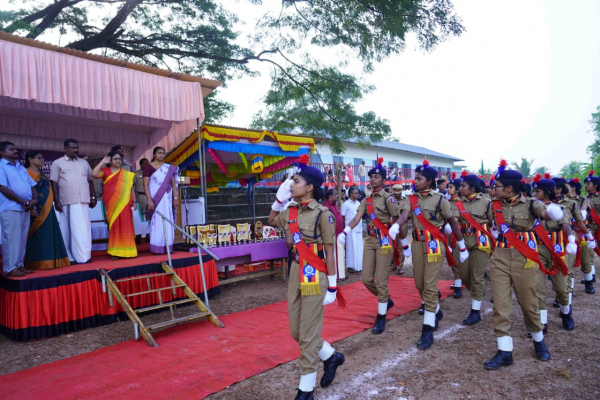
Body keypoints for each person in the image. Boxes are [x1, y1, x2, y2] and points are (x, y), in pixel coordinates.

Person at [268, 154, 345, 400]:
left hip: (316, 275)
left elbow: (331, 251)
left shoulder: (323, 214)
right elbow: (271, 221)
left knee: (308, 335)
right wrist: (279, 200)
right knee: (296, 332)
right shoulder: (290, 210)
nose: (291, 184)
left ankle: (306, 389)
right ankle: (331, 357)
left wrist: (333, 286)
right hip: (295, 273)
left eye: (296, 181)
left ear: (309, 187)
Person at [482, 160, 564, 370]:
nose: (493, 189)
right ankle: (504, 351)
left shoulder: (529, 204)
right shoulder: (494, 205)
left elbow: (544, 213)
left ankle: (539, 341)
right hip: (500, 256)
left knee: (529, 304)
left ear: (509, 188)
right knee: (500, 305)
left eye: (497, 186)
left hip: (524, 258)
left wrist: (553, 211)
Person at [396, 159, 468, 349]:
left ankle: (427, 330)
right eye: (415, 178)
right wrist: (397, 225)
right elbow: (404, 215)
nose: (415, 181)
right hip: (418, 244)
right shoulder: (410, 198)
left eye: (419, 178)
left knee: (429, 286)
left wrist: (461, 245)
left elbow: (452, 222)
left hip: (435, 243)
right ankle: (435, 309)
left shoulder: (439, 199)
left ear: (429, 181)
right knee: (419, 284)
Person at [340, 157, 399, 334]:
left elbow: (396, 218)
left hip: (385, 241)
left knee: (381, 280)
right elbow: (357, 218)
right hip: (370, 240)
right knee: (366, 279)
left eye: (376, 176)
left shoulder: (389, 199)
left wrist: (398, 236)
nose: (372, 179)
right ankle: (385, 299)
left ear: (383, 179)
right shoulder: (366, 201)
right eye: (371, 176)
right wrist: (346, 231)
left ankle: (381, 316)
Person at [455, 171, 495, 325]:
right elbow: (455, 220)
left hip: (481, 243)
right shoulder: (458, 203)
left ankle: (475, 311)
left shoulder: (486, 202)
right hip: (464, 243)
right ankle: (478, 292)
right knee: (464, 275)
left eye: (463, 186)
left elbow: (493, 224)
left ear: (472, 188)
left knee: (477, 276)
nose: (460, 188)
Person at [50, 138, 97, 264]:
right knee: (71, 229)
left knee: (84, 228)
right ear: (65, 148)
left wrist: (93, 196)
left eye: (77, 147)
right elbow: (53, 182)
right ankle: (70, 257)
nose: (75, 150)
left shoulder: (83, 163)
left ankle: (84, 256)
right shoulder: (58, 163)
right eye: (72, 147)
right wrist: (56, 200)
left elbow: (90, 179)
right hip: (69, 200)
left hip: (84, 199)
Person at [24, 150, 70, 270]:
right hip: (34, 211)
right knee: (38, 236)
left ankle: (53, 261)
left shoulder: (43, 175)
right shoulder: (25, 173)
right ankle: (37, 262)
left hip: (48, 210)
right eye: (39, 158)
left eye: (42, 158)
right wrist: (33, 208)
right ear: (30, 159)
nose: (42, 160)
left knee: (49, 235)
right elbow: (27, 192)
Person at [0, 142, 38, 277]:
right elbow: (3, 188)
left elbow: (31, 185)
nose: (16, 151)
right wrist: (24, 202)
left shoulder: (20, 167)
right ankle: (10, 268)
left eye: (15, 149)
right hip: (11, 208)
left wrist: (34, 200)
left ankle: (19, 265)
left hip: (25, 208)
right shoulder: (1, 167)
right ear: (2, 153)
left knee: (22, 239)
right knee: (11, 239)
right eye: (12, 149)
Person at [92, 152, 138, 259]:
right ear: (110, 161)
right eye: (115, 159)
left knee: (126, 226)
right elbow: (94, 174)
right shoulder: (105, 171)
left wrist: (135, 202)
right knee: (114, 226)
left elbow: (131, 188)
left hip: (125, 202)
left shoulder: (126, 173)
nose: (118, 161)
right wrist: (101, 163)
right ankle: (115, 252)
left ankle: (128, 251)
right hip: (111, 204)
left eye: (120, 159)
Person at [143, 147, 178, 254]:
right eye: (159, 153)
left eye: (163, 153)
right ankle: (157, 246)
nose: (162, 155)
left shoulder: (168, 168)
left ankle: (168, 246)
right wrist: (149, 200)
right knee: (157, 221)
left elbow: (172, 184)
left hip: (166, 199)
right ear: (154, 154)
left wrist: (175, 198)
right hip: (155, 199)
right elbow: (145, 185)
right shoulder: (148, 167)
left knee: (168, 219)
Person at [567, 177, 596, 288]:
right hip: (569, 233)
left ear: (573, 188)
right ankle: (567, 289)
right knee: (568, 262)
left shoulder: (583, 199)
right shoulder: (562, 201)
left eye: (567, 186)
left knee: (586, 259)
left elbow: (584, 214)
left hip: (582, 232)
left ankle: (588, 282)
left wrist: (580, 213)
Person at [445, 172, 464, 298]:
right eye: (448, 187)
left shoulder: (460, 202)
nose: (448, 189)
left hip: (457, 234)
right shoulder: (446, 201)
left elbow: (456, 221)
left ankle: (458, 286)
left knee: (456, 260)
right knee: (451, 259)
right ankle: (458, 281)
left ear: (457, 189)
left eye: (451, 187)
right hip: (447, 234)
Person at [581, 171, 598, 294]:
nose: (586, 185)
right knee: (589, 251)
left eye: (589, 183)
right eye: (585, 183)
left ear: (595, 185)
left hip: (599, 226)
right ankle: (591, 277)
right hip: (588, 227)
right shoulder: (583, 199)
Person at [323, 189, 345, 281]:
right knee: (333, 255)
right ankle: (334, 275)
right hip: (332, 236)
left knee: (340, 254)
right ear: (329, 196)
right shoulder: (326, 207)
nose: (338, 195)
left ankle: (340, 275)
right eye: (335, 194)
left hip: (339, 234)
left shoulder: (334, 205)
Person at [341, 186, 363, 273]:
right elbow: (343, 217)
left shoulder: (359, 204)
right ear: (350, 194)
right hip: (350, 229)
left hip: (358, 228)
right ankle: (350, 266)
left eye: (358, 193)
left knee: (359, 247)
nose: (357, 194)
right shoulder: (345, 204)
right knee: (350, 248)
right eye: (355, 193)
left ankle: (359, 265)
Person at [391, 184, 409, 275]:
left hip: (403, 225)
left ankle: (399, 266)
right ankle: (394, 263)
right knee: (393, 244)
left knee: (401, 245)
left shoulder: (406, 200)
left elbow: (408, 213)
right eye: (395, 193)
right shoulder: (390, 200)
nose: (397, 195)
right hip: (391, 224)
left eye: (399, 193)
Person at [134, 158, 150, 243]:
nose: (147, 165)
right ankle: (138, 236)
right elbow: (132, 186)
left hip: (149, 198)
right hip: (140, 197)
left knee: (149, 217)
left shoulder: (151, 173)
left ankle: (149, 235)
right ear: (140, 164)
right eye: (145, 164)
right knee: (139, 218)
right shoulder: (136, 174)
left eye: (148, 163)